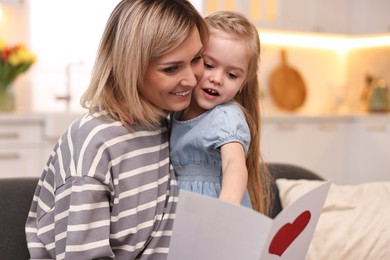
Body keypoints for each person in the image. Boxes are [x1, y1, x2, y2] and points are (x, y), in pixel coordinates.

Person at [25, 0, 208, 259]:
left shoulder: (165, 125)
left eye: (197, 59)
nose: (191, 79)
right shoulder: (94, 144)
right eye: (171, 68)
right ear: (130, 68)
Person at [170, 11, 271, 214]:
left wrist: (226, 207)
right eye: (209, 65)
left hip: (214, 218)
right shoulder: (175, 111)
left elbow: (234, 164)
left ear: (243, 84)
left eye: (232, 74)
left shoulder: (226, 117)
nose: (217, 79)